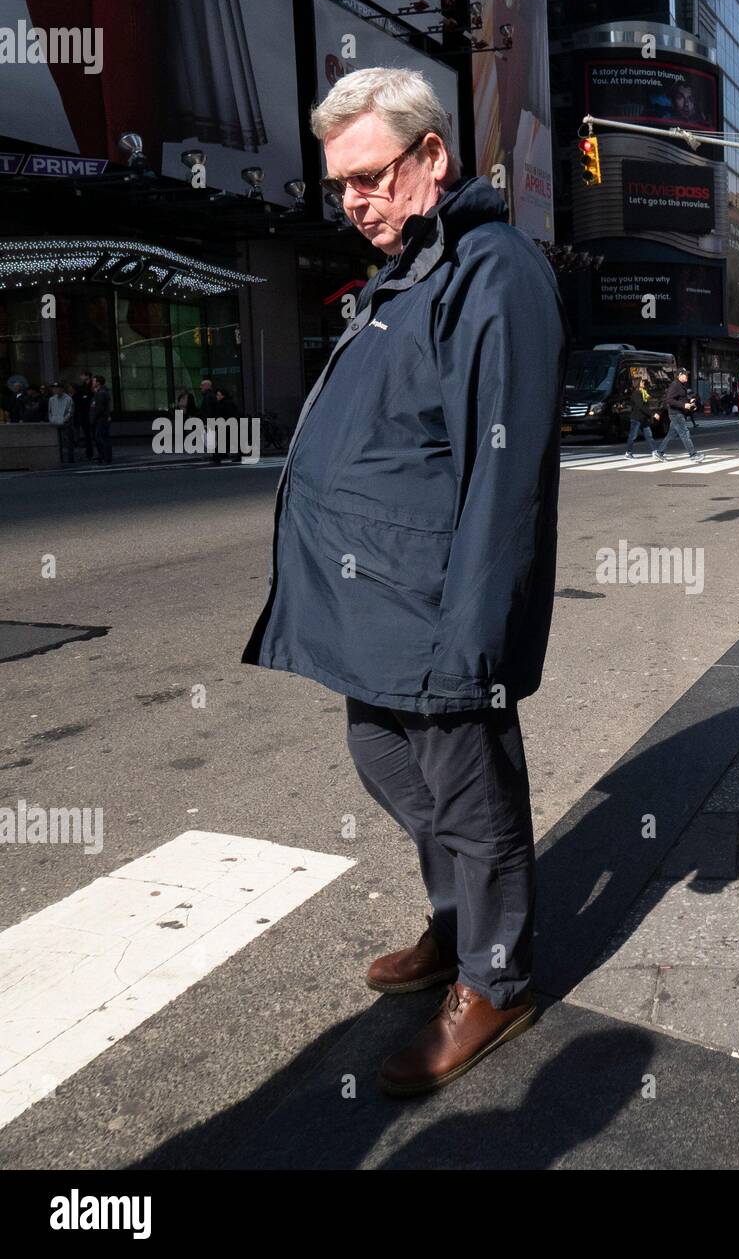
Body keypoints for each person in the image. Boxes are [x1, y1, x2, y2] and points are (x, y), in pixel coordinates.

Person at [242, 66, 567, 1094]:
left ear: (432, 156)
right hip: (374, 602)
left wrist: (473, 634)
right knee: (387, 761)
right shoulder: (409, 267)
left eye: (371, 177)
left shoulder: (492, 267)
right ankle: (458, 921)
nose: (354, 202)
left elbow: (503, 473)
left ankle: (497, 977)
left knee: (471, 801)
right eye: (341, 185)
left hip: (436, 609)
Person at [653, 368, 703, 462]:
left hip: (679, 413)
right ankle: (693, 455)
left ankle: (659, 453)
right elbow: (669, 400)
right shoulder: (675, 385)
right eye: (685, 375)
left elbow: (680, 399)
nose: (687, 376)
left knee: (671, 434)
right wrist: (684, 405)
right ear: (679, 375)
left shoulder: (680, 385)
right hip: (676, 414)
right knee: (685, 433)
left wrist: (690, 402)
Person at [623, 376, 658, 458]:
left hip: (643, 418)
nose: (643, 383)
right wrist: (652, 414)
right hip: (636, 418)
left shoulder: (643, 392)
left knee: (649, 435)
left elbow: (645, 405)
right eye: (642, 382)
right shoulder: (636, 393)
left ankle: (654, 451)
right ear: (638, 384)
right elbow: (641, 406)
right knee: (633, 436)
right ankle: (628, 453)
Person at [48, 380, 75, 463]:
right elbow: (50, 411)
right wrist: (52, 420)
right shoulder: (51, 399)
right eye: (54, 388)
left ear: (62, 389)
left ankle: (70, 458)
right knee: (57, 442)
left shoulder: (68, 399)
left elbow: (70, 412)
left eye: (57, 388)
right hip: (55, 423)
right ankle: (60, 459)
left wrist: (63, 420)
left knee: (68, 442)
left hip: (66, 423)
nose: (55, 390)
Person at [89, 374, 112, 463]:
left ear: (98, 383)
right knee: (102, 438)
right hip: (101, 419)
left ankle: (105, 457)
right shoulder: (99, 392)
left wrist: (93, 419)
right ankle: (103, 456)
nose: (92, 383)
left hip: (101, 419)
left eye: (94, 381)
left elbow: (99, 409)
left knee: (101, 438)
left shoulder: (101, 393)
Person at [75, 371, 95, 461]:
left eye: (82, 375)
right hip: (84, 413)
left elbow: (90, 397)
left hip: (91, 412)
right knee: (87, 435)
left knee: (95, 434)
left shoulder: (92, 385)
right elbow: (81, 397)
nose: (81, 377)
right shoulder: (82, 386)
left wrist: (85, 397)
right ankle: (89, 453)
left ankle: (97, 452)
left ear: (87, 376)